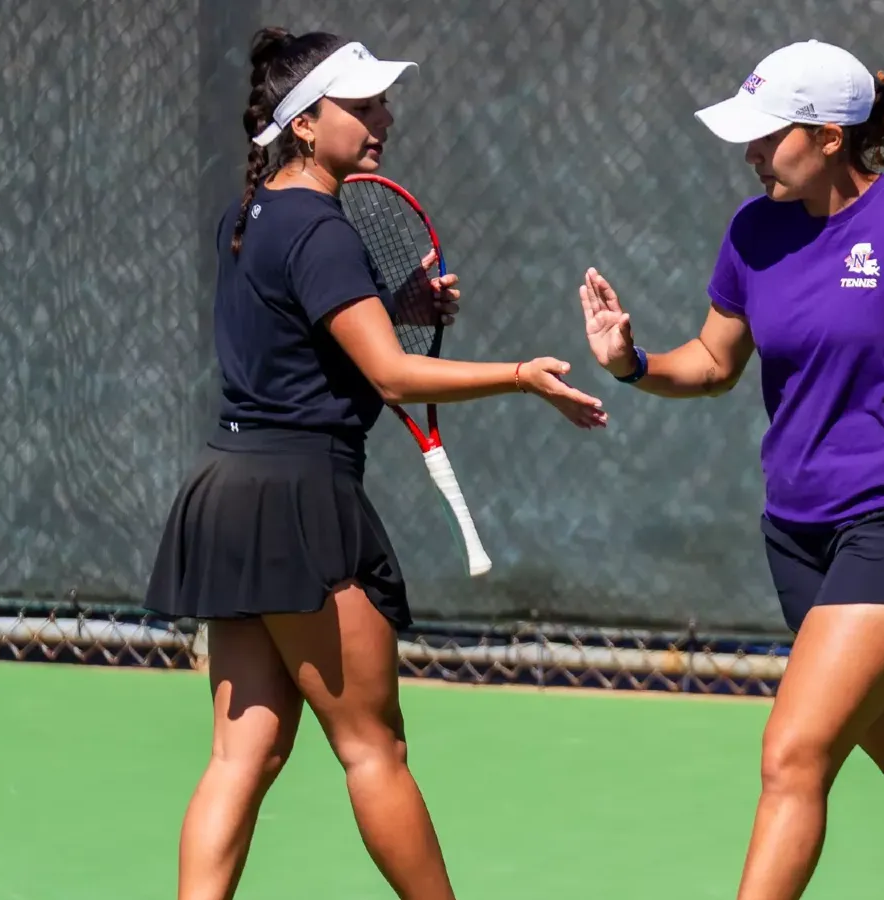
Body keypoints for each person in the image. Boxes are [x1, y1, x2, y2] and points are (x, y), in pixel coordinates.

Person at [576, 38, 884, 900]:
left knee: (792, 755)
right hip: (799, 539)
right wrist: (631, 362)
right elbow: (711, 362)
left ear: (831, 136)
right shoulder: (753, 230)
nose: (750, 151)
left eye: (769, 135)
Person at [143, 26, 606, 900]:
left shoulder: (248, 219)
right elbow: (389, 372)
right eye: (359, 106)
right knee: (372, 747)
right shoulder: (323, 230)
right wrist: (521, 375)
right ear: (306, 124)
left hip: (226, 489)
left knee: (243, 753)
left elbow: (293, 334)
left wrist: (388, 302)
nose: (380, 117)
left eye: (379, 102)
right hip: (298, 501)